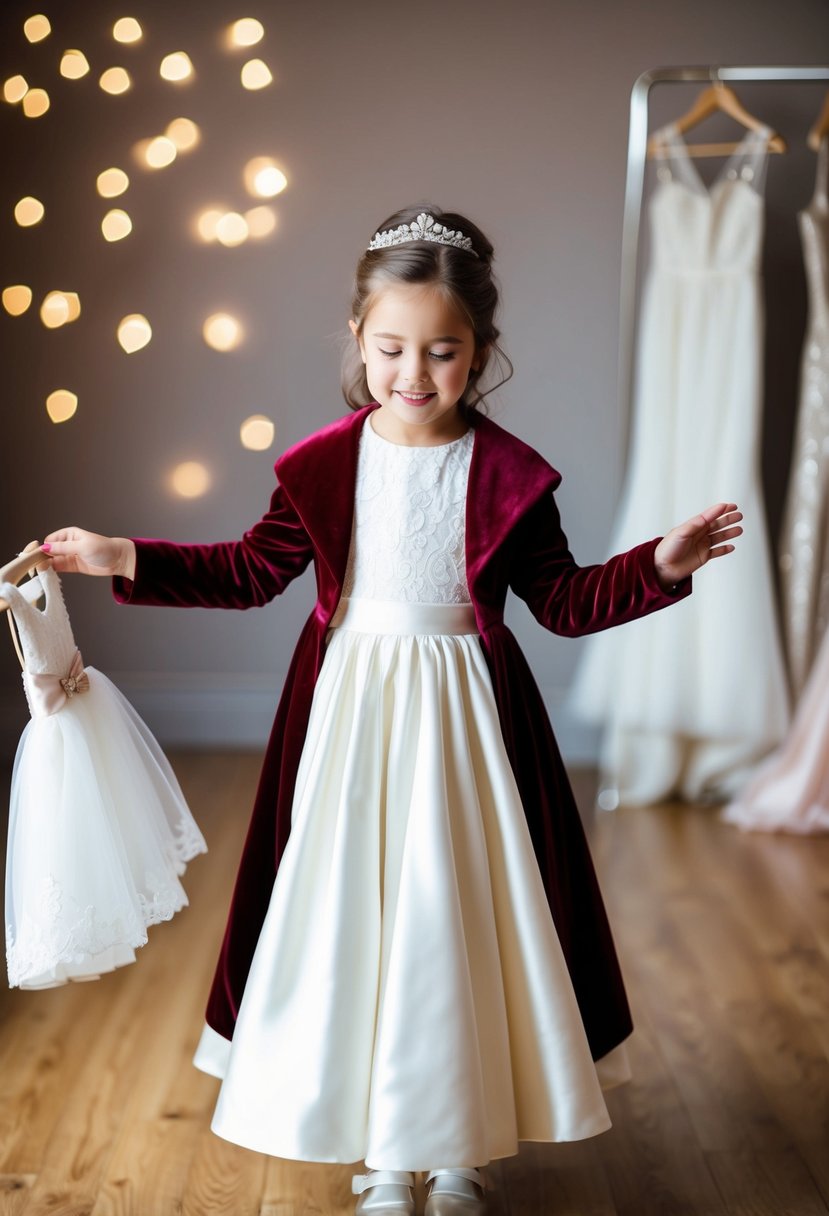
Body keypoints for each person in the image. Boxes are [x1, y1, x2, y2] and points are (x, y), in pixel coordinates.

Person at [39, 205, 742, 1216]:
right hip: (348, 726)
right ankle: (381, 1143)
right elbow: (250, 570)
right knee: (354, 921)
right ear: (359, 340)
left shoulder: (508, 475)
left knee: (453, 922)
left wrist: (657, 568)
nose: (414, 373)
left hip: (468, 733)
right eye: (391, 348)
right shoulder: (326, 465)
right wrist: (121, 558)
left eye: (443, 352)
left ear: (483, 352)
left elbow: (564, 599)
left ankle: (456, 1142)